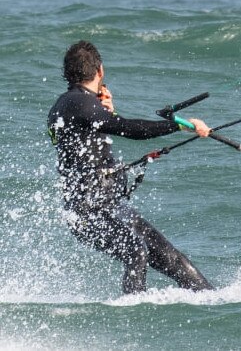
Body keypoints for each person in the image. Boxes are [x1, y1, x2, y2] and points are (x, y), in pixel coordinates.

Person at [48, 40, 214, 294]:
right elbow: (130, 129)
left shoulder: (69, 105)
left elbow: (91, 138)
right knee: (135, 249)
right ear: (100, 71)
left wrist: (108, 113)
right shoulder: (78, 104)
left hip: (108, 205)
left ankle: (213, 298)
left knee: (174, 260)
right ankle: (131, 311)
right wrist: (181, 125)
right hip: (86, 211)